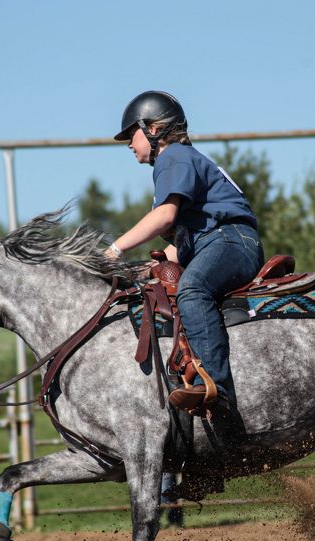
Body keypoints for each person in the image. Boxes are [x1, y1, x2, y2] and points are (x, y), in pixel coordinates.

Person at [104, 91, 265, 422]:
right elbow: (184, 240)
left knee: (192, 289)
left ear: (153, 128)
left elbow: (165, 217)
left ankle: (217, 391)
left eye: (130, 135)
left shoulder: (173, 157)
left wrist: (114, 250)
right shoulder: (178, 160)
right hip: (214, 242)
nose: (128, 145)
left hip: (230, 241)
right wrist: (148, 269)